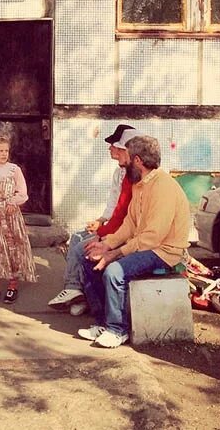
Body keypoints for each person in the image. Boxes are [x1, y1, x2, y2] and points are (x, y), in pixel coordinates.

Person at [78, 134, 191, 348]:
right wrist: (106, 244)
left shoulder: (162, 186)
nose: (125, 163)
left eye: (128, 158)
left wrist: (115, 254)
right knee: (90, 259)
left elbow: (153, 237)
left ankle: (117, 330)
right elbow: (129, 224)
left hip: (164, 251)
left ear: (138, 160)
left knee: (114, 271)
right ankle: (102, 323)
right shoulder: (140, 185)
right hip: (145, 245)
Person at [48, 124, 143, 316]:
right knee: (77, 237)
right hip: (117, 227)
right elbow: (114, 206)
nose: (110, 149)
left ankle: (78, 292)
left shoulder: (136, 176)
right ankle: (78, 294)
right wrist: (100, 222)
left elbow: (125, 214)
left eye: (114, 146)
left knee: (81, 249)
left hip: (128, 233)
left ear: (126, 150)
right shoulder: (121, 173)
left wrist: (102, 234)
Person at [0, 134, 36, 305]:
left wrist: (13, 202)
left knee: (13, 249)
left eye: (6, 151)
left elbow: (22, 192)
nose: (4, 154)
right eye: (0, 150)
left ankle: (12, 286)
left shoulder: (14, 170)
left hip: (10, 215)